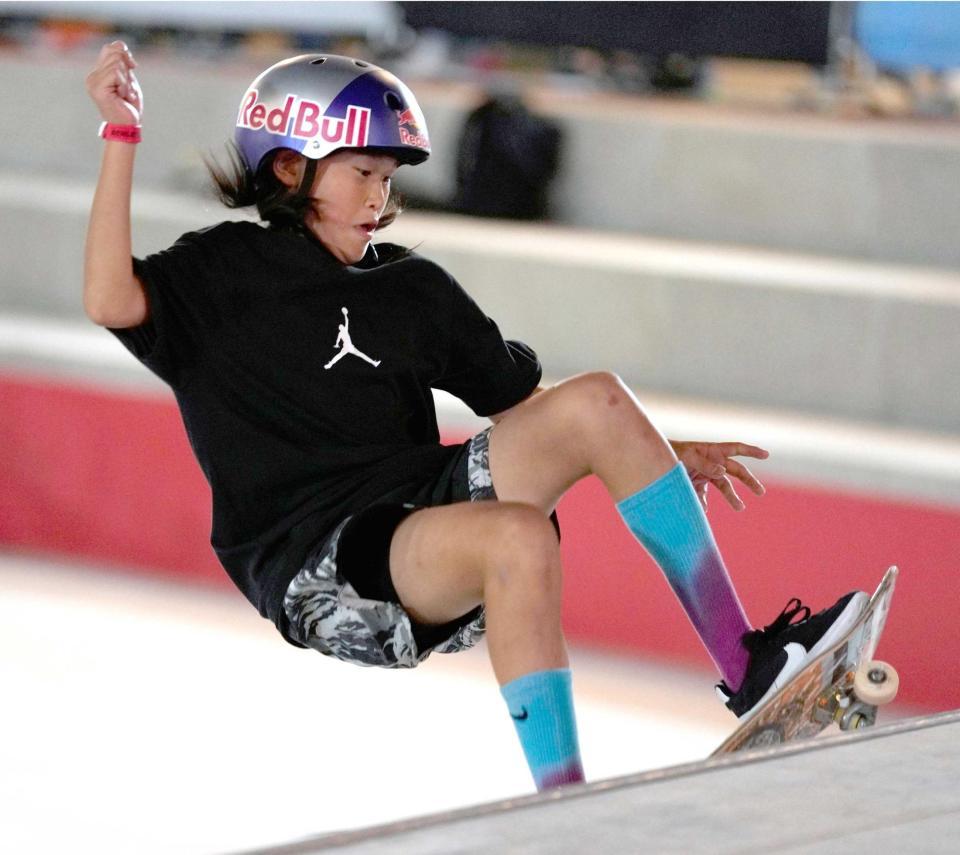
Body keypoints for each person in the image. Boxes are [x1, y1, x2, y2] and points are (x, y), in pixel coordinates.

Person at [84, 42, 868, 793]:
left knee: (597, 397)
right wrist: (121, 134)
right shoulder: (222, 273)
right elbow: (110, 298)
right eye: (361, 172)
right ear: (290, 168)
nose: (378, 198)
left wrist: (656, 449)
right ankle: (563, 801)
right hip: (323, 562)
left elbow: (526, 409)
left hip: (424, 509)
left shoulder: (412, 289)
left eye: (388, 178)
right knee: (518, 535)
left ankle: (749, 665)